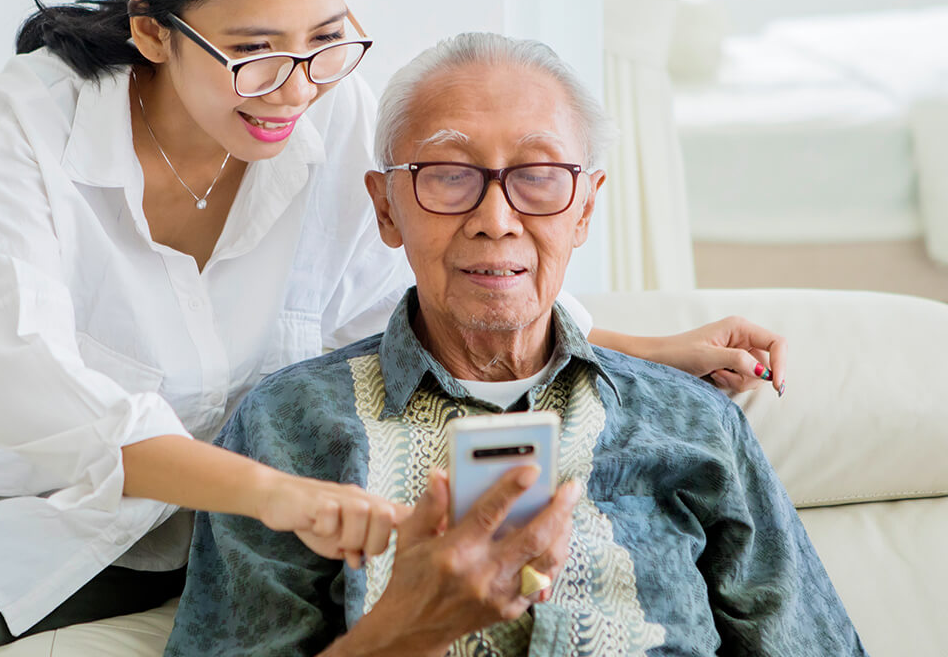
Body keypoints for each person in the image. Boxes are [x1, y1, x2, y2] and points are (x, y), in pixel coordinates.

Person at [0, 0, 787, 655]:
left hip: (140, 498)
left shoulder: (335, 113)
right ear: (150, 29)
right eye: (250, 52)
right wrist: (275, 495)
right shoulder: (31, 121)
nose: (295, 85)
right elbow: (33, 393)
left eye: (324, 37)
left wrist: (643, 347)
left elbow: (400, 295)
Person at [165, 33, 866, 656]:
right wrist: (400, 633)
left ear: (585, 208)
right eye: (448, 176)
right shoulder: (286, 427)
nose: (495, 220)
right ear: (386, 208)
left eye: (538, 177)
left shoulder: (694, 424)